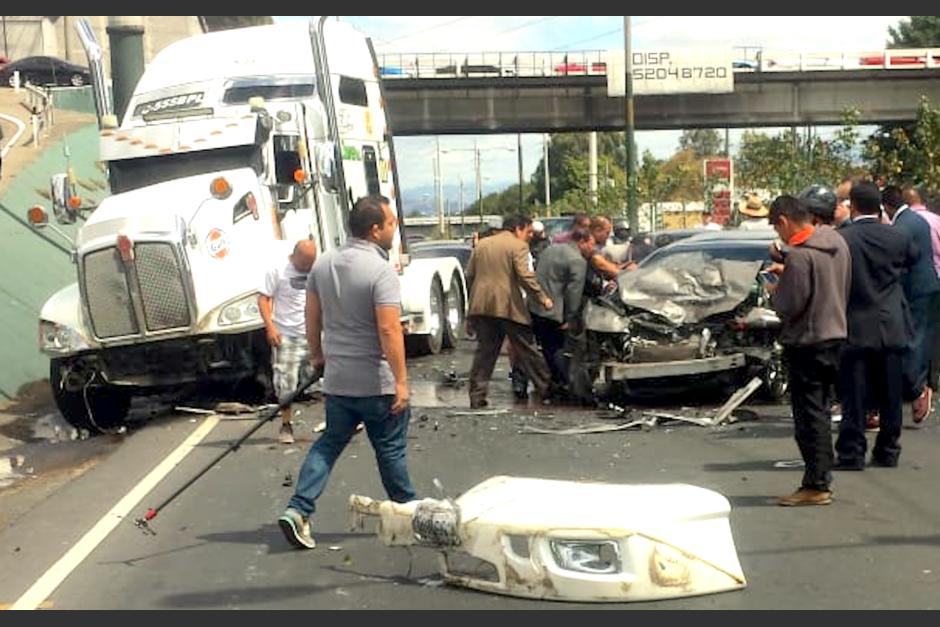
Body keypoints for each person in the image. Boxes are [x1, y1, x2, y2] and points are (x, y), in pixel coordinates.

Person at [278, 195, 416, 549]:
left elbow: (312, 316)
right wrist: (401, 381)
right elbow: (389, 330)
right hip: (376, 382)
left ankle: (298, 510)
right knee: (390, 449)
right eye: (390, 224)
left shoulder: (323, 264)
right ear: (375, 230)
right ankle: (408, 517)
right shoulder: (380, 270)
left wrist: (318, 356)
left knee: (328, 444)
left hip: (339, 382)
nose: (393, 230)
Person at [767, 195, 850, 506]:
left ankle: (816, 483)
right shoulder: (837, 243)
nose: (780, 236)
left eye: (778, 228)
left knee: (809, 416)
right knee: (823, 411)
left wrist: (776, 289)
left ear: (784, 221)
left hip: (807, 342)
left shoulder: (801, 257)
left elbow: (790, 304)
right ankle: (820, 478)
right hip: (836, 334)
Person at [835, 181, 916, 471]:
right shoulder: (898, 236)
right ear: (880, 206)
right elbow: (913, 260)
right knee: (890, 394)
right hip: (891, 322)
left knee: (854, 394)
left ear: (853, 206)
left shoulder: (844, 238)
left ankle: (852, 452)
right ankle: (888, 449)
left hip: (856, 324)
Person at [466, 214, 554, 409]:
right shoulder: (518, 246)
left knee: (485, 353)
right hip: (507, 305)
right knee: (527, 348)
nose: (530, 236)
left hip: (482, 306)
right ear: (518, 229)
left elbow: (470, 275)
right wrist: (542, 298)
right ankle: (547, 388)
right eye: (528, 232)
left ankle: (476, 395)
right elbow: (525, 276)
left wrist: (471, 309)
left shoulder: (482, 245)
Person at [883, 184, 939, 422]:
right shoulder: (919, 221)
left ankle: (918, 389)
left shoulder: (903, 225)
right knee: (925, 337)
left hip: (916, 288)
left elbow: (902, 259)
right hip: (930, 283)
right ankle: (923, 383)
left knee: (914, 338)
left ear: (886, 206)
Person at [259, 239, 318, 444]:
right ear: (295, 256)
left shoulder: (316, 270)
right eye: (305, 263)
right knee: (286, 384)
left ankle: (343, 421)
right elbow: (263, 299)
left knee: (332, 376)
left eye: (312, 263)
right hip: (288, 335)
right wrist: (270, 327)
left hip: (313, 334)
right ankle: (286, 425)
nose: (308, 267)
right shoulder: (277, 270)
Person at [527, 228, 595, 398]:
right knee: (559, 349)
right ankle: (565, 385)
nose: (593, 249)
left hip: (536, 307)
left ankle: (552, 383)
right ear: (583, 241)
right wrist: (569, 317)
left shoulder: (550, 249)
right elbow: (574, 292)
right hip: (556, 311)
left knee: (546, 348)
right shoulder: (577, 260)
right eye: (591, 245)